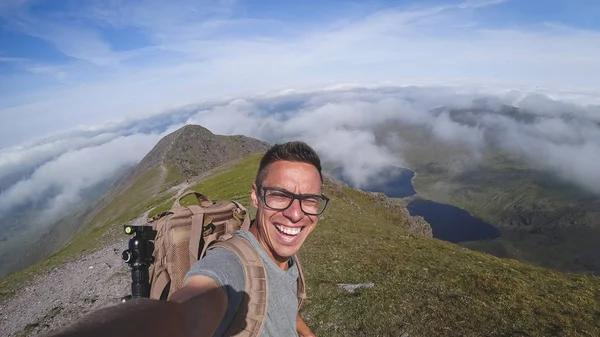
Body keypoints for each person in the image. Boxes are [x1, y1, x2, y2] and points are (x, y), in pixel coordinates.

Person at [46, 141, 328, 337]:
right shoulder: (230, 264)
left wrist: (305, 332)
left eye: (309, 201)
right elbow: (185, 314)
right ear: (256, 195)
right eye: (280, 195)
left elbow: (280, 300)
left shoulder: (283, 254)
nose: (295, 214)